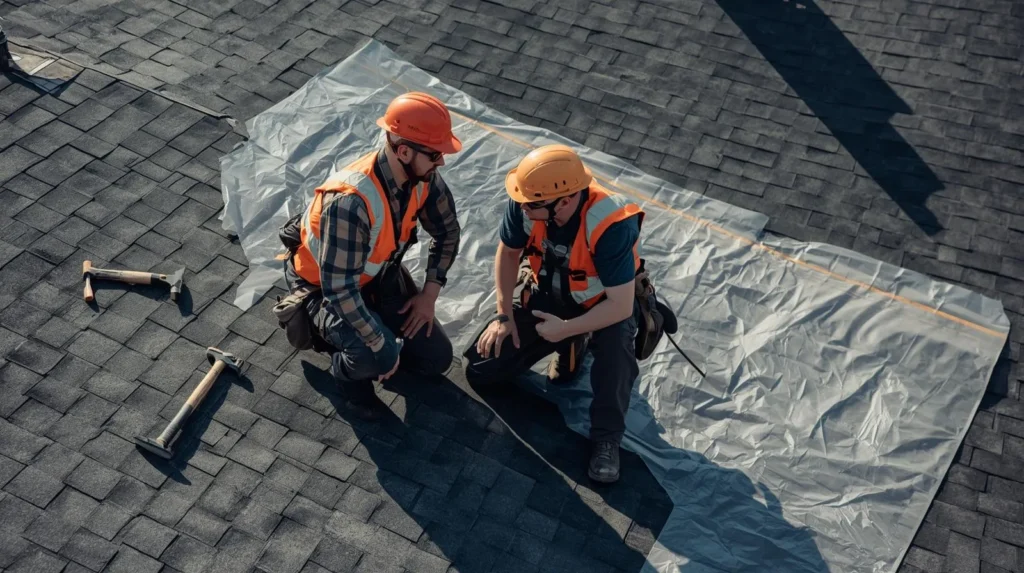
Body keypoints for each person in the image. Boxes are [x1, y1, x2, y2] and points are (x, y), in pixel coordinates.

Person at [462, 144, 647, 484]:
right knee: (481, 369)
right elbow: (508, 254)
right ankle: (572, 345)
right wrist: (504, 315)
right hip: (548, 298)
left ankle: (607, 438)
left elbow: (620, 305)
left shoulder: (610, 226)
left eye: (531, 205)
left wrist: (567, 328)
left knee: (616, 354)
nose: (522, 207)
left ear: (563, 201)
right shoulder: (530, 201)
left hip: (601, 309)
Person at [280, 92, 462, 420]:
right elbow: (339, 290)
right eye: (435, 154)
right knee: (371, 354)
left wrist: (428, 295)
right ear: (404, 150)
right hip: (325, 289)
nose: (442, 163)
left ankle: (373, 343)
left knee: (436, 359)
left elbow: (447, 233)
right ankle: (344, 372)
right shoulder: (351, 204)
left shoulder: (424, 177)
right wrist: (380, 343)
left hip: (375, 278)